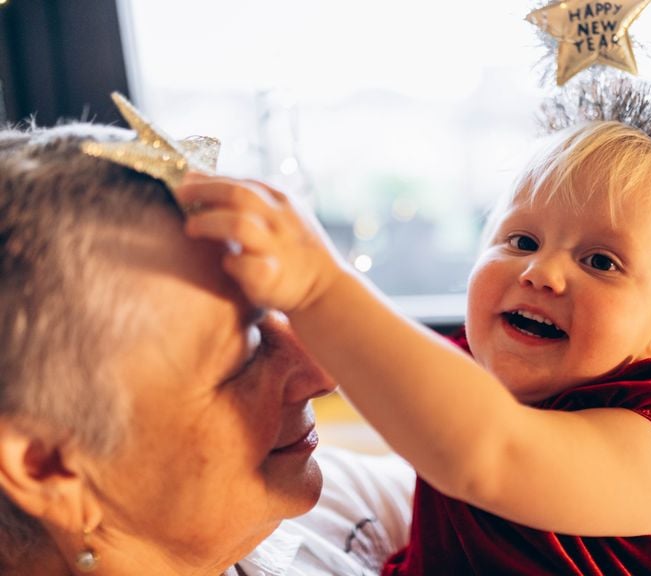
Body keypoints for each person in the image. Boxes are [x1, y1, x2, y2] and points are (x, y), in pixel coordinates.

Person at [175, 83, 651, 575]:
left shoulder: (646, 450)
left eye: (601, 261)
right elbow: (402, 386)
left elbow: (486, 452)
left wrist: (319, 289)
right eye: (521, 241)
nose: (541, 272)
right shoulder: (464, 372)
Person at [0, 122, 414, 575]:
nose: (324, 373)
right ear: (47, 466)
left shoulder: (334, 509)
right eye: (248, 348)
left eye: (276, 309)